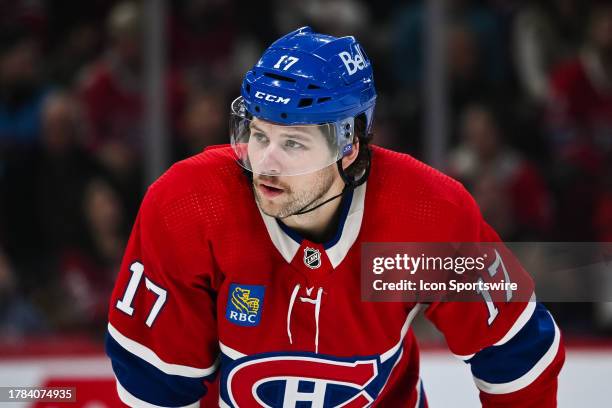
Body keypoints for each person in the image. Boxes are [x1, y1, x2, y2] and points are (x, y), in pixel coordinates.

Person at [106, 27, 564, 407]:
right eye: (259, 135)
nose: (266, 162)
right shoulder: (189, 206)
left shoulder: (423, 220)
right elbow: (155, 384)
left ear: (350, 145)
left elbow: (515, 353)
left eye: (294, 144)